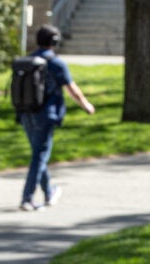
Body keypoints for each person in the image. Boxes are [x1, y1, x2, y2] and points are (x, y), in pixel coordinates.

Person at [18, 24, 95, 211]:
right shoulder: (56, 63)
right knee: (40, 156)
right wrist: (86, 105)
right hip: (46, 115)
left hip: (26, 113)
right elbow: (72, 89)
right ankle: (27, 198)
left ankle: (49, 191)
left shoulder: (27, 60)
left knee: (38, 155)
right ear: (55, 42)